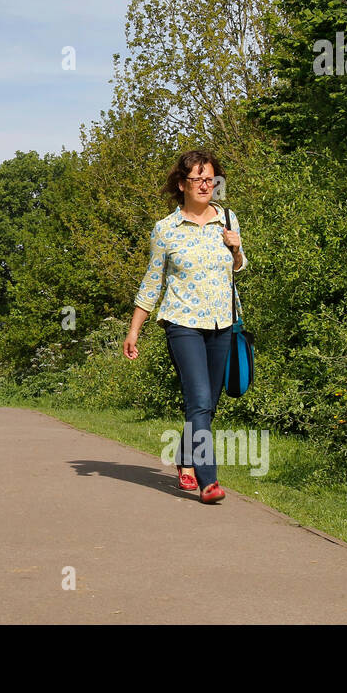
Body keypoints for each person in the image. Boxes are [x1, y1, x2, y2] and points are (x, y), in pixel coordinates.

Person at [122, 149, 245, 505]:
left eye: (211, 179)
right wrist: (134, 331)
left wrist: (236, 250)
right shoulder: (165, 229)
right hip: (182, 323)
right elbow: (151, 282)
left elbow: (238, 267)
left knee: (207, 406)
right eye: (198, 179)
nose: (206, 185)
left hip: (223, 321)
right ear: (182, 184)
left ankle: (184, 459)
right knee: (200, 400)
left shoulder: (228, 219)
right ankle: (209, 480)